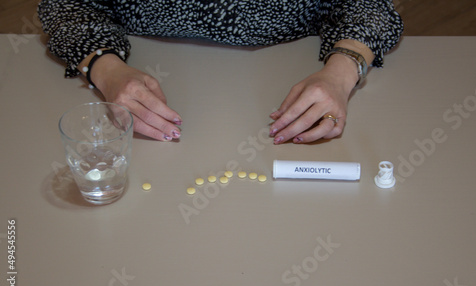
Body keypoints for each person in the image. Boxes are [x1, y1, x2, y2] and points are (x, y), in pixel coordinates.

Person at [38, 0, 403, 144]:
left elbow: (372, 6)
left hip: (291, 63)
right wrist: (105, 68)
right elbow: (66, 5)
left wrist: (341, 72)